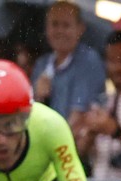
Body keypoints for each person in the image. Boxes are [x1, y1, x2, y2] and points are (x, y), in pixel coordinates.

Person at [30, 1, 105, 145]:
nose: (59, 31)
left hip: (70, 147)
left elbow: (78, 115)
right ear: (46, 28)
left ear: (80, 28)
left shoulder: (88, 60)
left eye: (66, 25)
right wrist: (39, 96)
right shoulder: (42, 64)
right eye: (54, 24)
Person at [78, 30, 121, 180]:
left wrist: (115, 131)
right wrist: (89, 135)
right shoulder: (102, 101)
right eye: (111, 61)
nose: (117, 68)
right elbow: (78, 154)